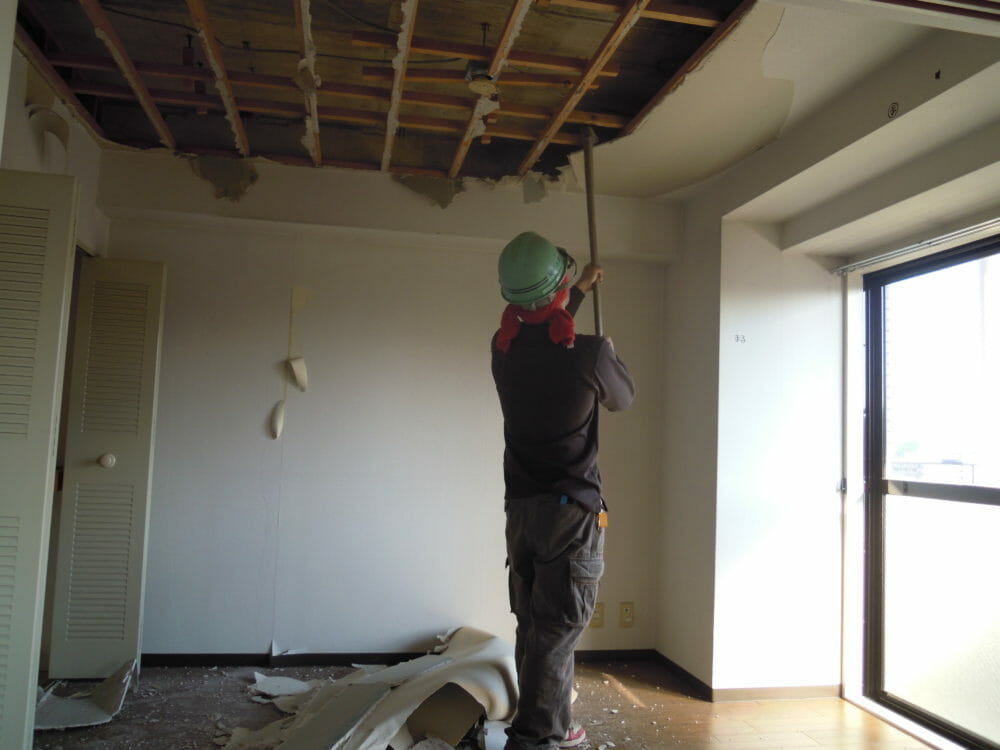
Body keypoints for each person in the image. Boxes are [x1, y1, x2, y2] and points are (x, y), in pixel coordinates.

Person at [491, 231, 636, 750]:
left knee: (533, 624)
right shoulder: (590, 353)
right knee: (556, 630)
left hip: (522, 511)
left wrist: (579, 291)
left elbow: (543, 329)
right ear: (556, 285)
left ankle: (545, 721)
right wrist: (609, 354)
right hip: (570, 514)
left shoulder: (503, 349)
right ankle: (537, 738)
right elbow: (622, 399)